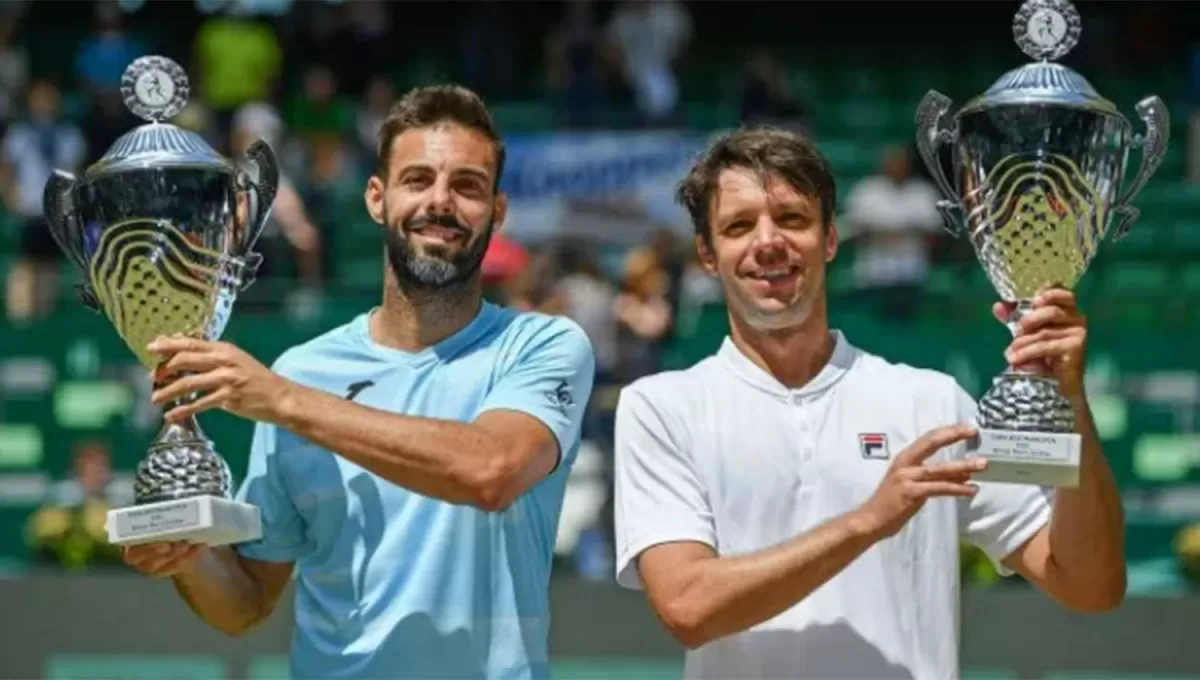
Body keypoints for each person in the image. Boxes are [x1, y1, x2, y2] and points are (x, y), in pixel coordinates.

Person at [120, 85, 596, 680]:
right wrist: (184, 557)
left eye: (467, 186)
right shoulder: (302, 372)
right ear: (377, 198)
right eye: (418, 180)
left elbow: (490, 471)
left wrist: (285, 402)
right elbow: (246, 602)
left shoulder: (543, 346)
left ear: (497, 212)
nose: (440, 202)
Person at [611, 127, 1125, 679]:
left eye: (791, 218)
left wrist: (1068, 404)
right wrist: (868, 521)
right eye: (739, 226)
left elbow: (1088, 584)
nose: (768, 242)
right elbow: (687, 607)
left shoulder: (932, 402)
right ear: (708, 257)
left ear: (830, 239)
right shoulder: (662, 406)